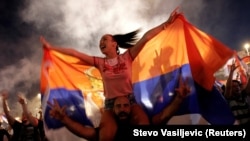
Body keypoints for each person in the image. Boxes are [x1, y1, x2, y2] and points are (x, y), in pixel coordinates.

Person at [40, 10, 179, 141]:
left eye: (105, 39)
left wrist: (166, 23)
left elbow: (146, 37)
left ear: (114, 43)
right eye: (100, 41)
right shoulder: (99, 62)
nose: (101, 42)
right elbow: (75, 53)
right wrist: (51, 48)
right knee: (105, 137)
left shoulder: (127, 57)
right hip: (110, 105)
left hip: (129, 101)